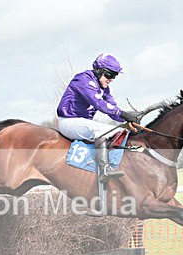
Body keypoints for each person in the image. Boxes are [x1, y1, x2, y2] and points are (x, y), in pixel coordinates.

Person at [56, 53, 139, 182]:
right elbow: (99, 104)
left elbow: (112, 109)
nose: (111, 79)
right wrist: (123, 114)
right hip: (68, 122)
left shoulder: (104, 88)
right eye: (109, 75)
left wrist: (128, 120)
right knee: (106, 131)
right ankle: (104, 169)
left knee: (118, 130)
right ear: (98, 70)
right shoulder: (82, 80)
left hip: (82, 123)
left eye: (114, 76)